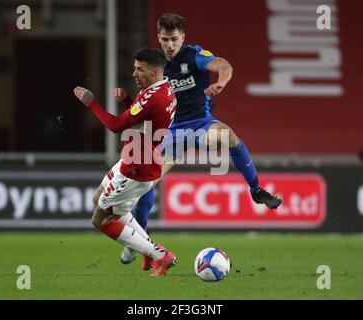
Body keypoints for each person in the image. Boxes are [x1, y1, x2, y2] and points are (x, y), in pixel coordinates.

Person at [121, 13, 283, 268]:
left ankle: (256, 189)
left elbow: (224, 65)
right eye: (165, 40)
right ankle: (139, 239)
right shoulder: (155, 67)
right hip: (170, 132)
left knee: (229, 137)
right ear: (159, 39)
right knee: (146, 184)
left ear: (183, 37)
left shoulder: (194, 55)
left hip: (199, 124)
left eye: (174, 39)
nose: (170, 45)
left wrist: (222, 82)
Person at [73, 47, 178, 276]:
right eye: (134, 68)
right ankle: (148, 249)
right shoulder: (164, 88)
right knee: (97, 198)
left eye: (140, 69)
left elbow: (116, 126)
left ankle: (160, 255)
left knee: (100, 220)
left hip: (137, 169)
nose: (134, 74)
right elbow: (142, 120)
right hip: (132, 160)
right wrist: (127, 100)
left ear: (156, 71)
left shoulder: (153, 97)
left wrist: (92, 103)